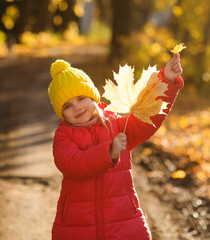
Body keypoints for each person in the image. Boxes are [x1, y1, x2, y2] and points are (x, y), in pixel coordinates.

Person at [48, 54, 183, 240]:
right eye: (67, 106)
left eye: (81, 98)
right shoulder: (64, 136)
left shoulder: (118, 126)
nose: (77, 107)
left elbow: (150, 116)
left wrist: (167, 80)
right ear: (61, 113)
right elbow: (73, 165)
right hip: (78, 226)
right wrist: (108, 153)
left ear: (93, 96)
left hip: (123, 221)